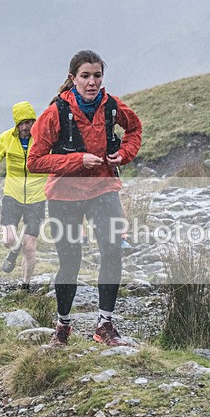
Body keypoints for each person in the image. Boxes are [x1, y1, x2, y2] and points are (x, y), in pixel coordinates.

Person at [27, 50, 142, 347]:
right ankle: (63, 326)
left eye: (97, 76)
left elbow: (134, 129)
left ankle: (105, 325)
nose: (92, 82)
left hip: (104, 188)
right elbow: (35, 161)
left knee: (113, 251)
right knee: (70, 261)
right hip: (64, 195)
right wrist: (77, 160)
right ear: (72, 78)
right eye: (85, 76)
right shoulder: (55, 113)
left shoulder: (112, 107)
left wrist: (125, 154)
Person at [0, 101, 47, 290]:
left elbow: (55, 162)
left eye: (29, 122)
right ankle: (13, 250)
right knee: (8, 240)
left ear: (35, 121)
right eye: (22, 123)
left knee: (29, 245)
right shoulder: (6, 138)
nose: (26, 127)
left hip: (37, 197)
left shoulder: (44, 139)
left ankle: (25, 285)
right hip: (12, 195)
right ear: (16, 124)